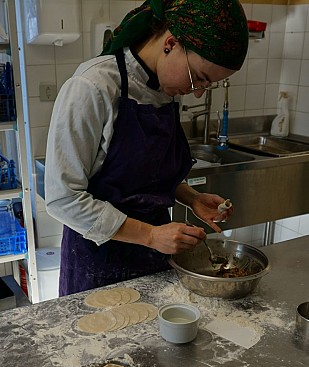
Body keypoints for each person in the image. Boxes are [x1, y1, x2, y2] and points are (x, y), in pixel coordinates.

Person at [45, 0, 248, 296]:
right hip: (98, 261)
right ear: (171, 43)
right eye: (199, 78)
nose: (198, 92)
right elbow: (62, 198)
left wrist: (191, 197)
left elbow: (143, 171)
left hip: (154, 257)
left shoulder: (165, 89)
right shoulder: (93, 87)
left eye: (208, 85)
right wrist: (150, 235)